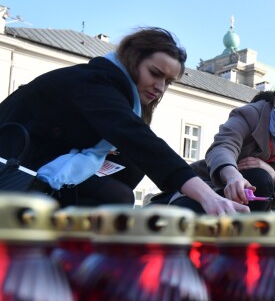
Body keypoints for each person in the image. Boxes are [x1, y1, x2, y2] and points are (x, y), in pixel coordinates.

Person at [0, 27, 245, 215]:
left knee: (129, 165)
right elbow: (140, 140)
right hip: (12, 164)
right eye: (155, 74)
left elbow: (139, 145)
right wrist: (207, 197)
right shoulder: (95, 82)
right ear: (132, 60)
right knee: (118, 196)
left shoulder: (119, 93)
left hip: (34, 160)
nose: (160, 88)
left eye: (168, 82)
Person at [171, 73, 275, 213]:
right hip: (211, 187)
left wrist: (272, 174)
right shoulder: (251, 115)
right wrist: (233, 176)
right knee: (259, 177)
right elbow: (223, 147)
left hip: (256, 204)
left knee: (262, 177)